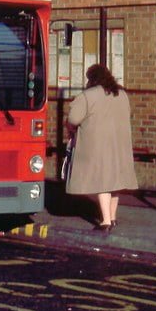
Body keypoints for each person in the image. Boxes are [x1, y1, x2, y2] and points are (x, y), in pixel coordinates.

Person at [65, 63, 138, 232]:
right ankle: (112, 218)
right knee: (115, 182)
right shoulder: (122, 94)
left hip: (98, 144)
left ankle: (105, 221)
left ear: (91, 78)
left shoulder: (88, 95)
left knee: (102, 181)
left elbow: (74, 119)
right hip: (119, 143)